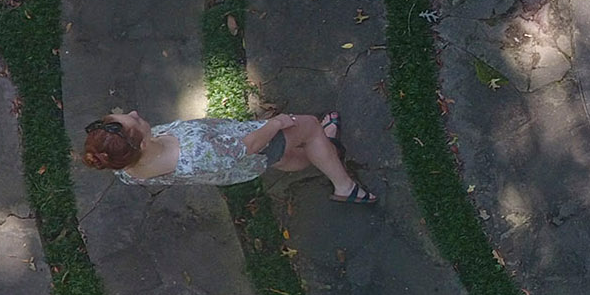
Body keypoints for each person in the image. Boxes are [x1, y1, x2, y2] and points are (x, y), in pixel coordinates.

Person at [81, 110, 377, 203]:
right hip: (250, 147)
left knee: (286, 158)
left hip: (242, 163)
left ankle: (322, 152)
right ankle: (344, 186)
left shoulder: (127, 168)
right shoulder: (196, 155)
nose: (134, 114)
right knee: (310, 126)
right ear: (141, 145)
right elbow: (245, 147)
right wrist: (274, 123)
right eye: (134, 122)